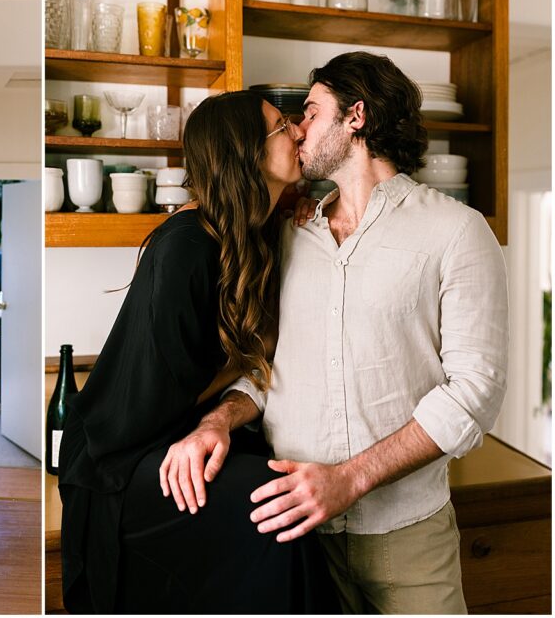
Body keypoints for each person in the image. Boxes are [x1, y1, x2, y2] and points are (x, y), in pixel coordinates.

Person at [161, 52, 508, 614]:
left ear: (357, 117)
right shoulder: (293, 234)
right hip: (296, 540)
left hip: (409, 541)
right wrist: (218, 420)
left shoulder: (457, 232)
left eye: (312, 112)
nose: (297, 128)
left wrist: (349, 479)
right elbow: (272, 370)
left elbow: (475, 393)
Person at [59, 91, 339, 614]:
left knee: (283, 497)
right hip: (117, 458)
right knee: (276, 509)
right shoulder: (187, 248)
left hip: (172, 428)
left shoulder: (256, 228)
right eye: (284, 126)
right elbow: (161, 393)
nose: (300, 131)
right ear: (246, 152)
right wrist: (252, 362)